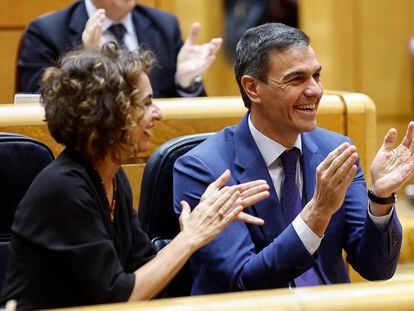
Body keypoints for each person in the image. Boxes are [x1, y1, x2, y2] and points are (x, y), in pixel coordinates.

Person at [0, 43, 269, 310]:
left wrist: (208, 223)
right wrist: (191, 236)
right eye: (147, 103)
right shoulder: (64, 189)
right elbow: (118, 296)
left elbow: (145, 269)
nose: (158, 114)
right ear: (110, 114)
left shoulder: (113, 178)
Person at [173, 23, 411, 294]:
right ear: (252, 88)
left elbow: (376, 269)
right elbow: (242, 282)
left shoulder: (337, 150)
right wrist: (317, 213)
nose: (315, 91)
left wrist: (380, 198)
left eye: (316, 76)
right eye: (296, 79)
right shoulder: (203, 168)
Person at [17, 0, 222, 98]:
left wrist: (185, 83)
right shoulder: (47, 32)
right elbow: (41, 107)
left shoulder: (164, 25)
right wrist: (90, 63)